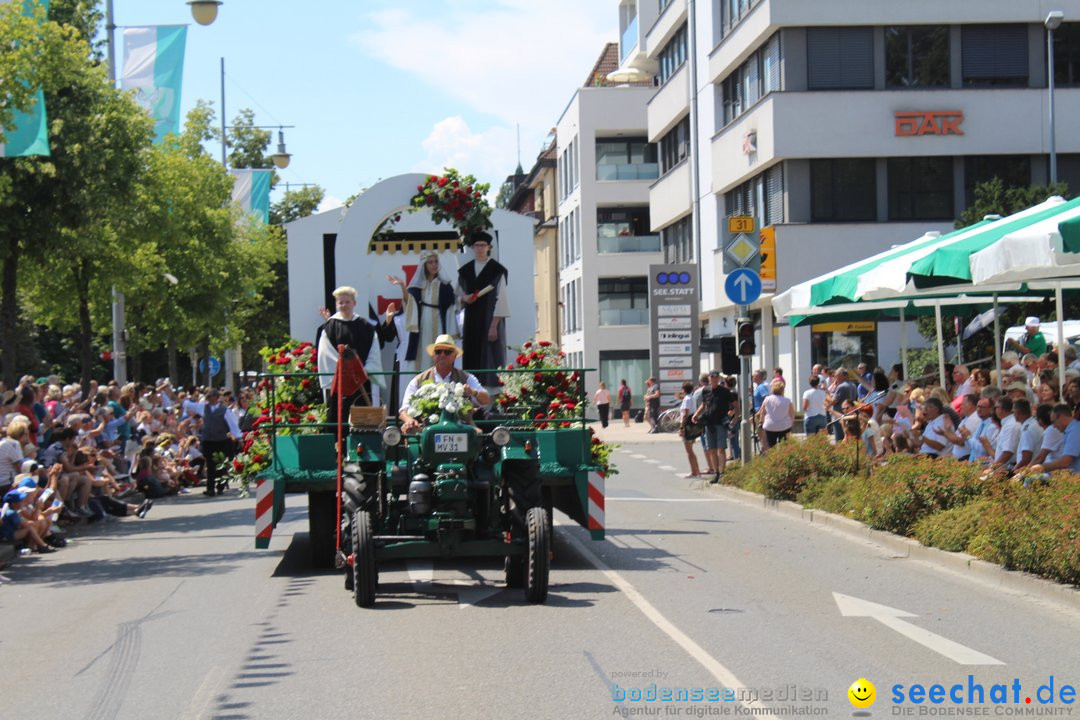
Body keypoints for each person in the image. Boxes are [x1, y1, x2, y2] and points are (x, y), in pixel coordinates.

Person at [317, 286, 385, 425]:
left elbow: (374, 353)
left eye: (347, 302)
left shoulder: (366, 326)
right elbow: (326, 354)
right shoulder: (330, 327)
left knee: (363, 422)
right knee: (337, 420)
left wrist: (362, 371)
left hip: (362, 382)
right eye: (340, 302)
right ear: (336, 304)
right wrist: (346, 370)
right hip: (339, 384)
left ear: (354, 303)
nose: (344, 305)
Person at [399, 334, 490, 434]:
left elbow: (486, 400)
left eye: (447, 352)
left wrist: (473, 392)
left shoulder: (466, 377)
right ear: (433, 355)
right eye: (438, 352)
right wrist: (409, 420)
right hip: (426, 427)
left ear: (454, 356)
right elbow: (403, 410)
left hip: (461, 426)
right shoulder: (418, 380)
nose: (442, 355)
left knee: (478, 434)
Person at [457, 230, 509, 386]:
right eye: (477, 245)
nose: (480, 248)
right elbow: (457, 295)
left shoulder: (497, 270)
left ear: (489, 247)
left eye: (483, 245)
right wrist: (464, 298)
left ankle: (492, 398)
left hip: (489, 320)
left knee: (491, 357)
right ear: (473, 248)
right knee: (471, 358)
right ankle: (471, 393)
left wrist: (494, 326)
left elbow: (502, 301)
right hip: (471, 322)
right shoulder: (465, 271)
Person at [402, 251, 459, 373]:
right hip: (422, 326)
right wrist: (403, 288)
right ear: (424, 265)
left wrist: (451, 332)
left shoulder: (445, 286)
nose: (434, 265)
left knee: (440, 352)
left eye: (436, 262)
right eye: (430, 262)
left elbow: (450, 309)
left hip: (439, 324)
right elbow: (409, 305)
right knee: (421, 355)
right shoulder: (416, 286)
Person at [185, 388, 241, 497]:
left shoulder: (224, 410)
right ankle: (210, 489)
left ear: (216, 398)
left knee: (221, 464)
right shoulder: (203, 407)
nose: (208, 398)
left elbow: (232, 425)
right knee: (210, 464)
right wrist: (187, 399)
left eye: (210, 396)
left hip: (221, 440)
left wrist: (239, 437)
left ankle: (220, 485)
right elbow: (190, 405)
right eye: (207, 396)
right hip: (208, 441)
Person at [692, 371, 738, 483]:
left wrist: (733, 418)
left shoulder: (725, 391)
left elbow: (736, 406)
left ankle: (722, 473)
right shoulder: (706, 390)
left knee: (721, 449)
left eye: (715, 377)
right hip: (709, 423)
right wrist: (696, 414)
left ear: (718, 379)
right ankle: (716, 473)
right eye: (712, 377)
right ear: (709, 378)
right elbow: (704, 404)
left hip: (721, 423)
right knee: (711, 450)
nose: (714, 379)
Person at [1029, 403, 1080, 474]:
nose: (1054, 426)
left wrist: (1041, 467)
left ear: (1061, 417)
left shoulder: (1075, 430)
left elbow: (1065, 461)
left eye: (1053, 422)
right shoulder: (1072, 429)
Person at [757, 380, 794, 449]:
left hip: (770, 426)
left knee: (771, 446)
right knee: (784, 447)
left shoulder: (767, 399)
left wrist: (760, 422)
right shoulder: (787, 401)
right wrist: (791, 425)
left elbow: (762, 412)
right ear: (783, 390)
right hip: (784, 426)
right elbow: (791, 414)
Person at [678, 381, 701, 478]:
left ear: (683, 390)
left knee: (689, 450)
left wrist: (682, 427)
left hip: (687, 425)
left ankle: (694, 471)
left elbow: (685, 414)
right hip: (692, 424)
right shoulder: (692, 398)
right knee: (691, 449)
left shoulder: (687, 399)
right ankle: (697, 470)